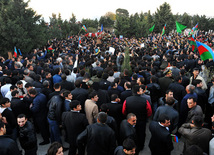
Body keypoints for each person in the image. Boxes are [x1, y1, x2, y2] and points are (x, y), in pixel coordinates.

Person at [122, 85, 152, 153]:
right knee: (141, 133)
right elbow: (149, 111)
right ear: (138, 92)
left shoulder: (127, 100)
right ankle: (141, 146)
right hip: (141, 120)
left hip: (130, 120)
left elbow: (124, 111)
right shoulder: (145, 101)